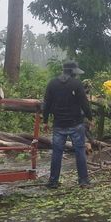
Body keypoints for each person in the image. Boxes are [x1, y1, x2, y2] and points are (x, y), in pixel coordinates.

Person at [42, 61, 93, 189]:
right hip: (76, 124)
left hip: (59, 125)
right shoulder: (76, 84)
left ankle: (53, 181)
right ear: (72, 72)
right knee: (80, 151)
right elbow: (84, 103)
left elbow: (46, 103)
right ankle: (83, 181)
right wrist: (90, 118)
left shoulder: (52, 83)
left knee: (57, 153)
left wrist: (45, 121)